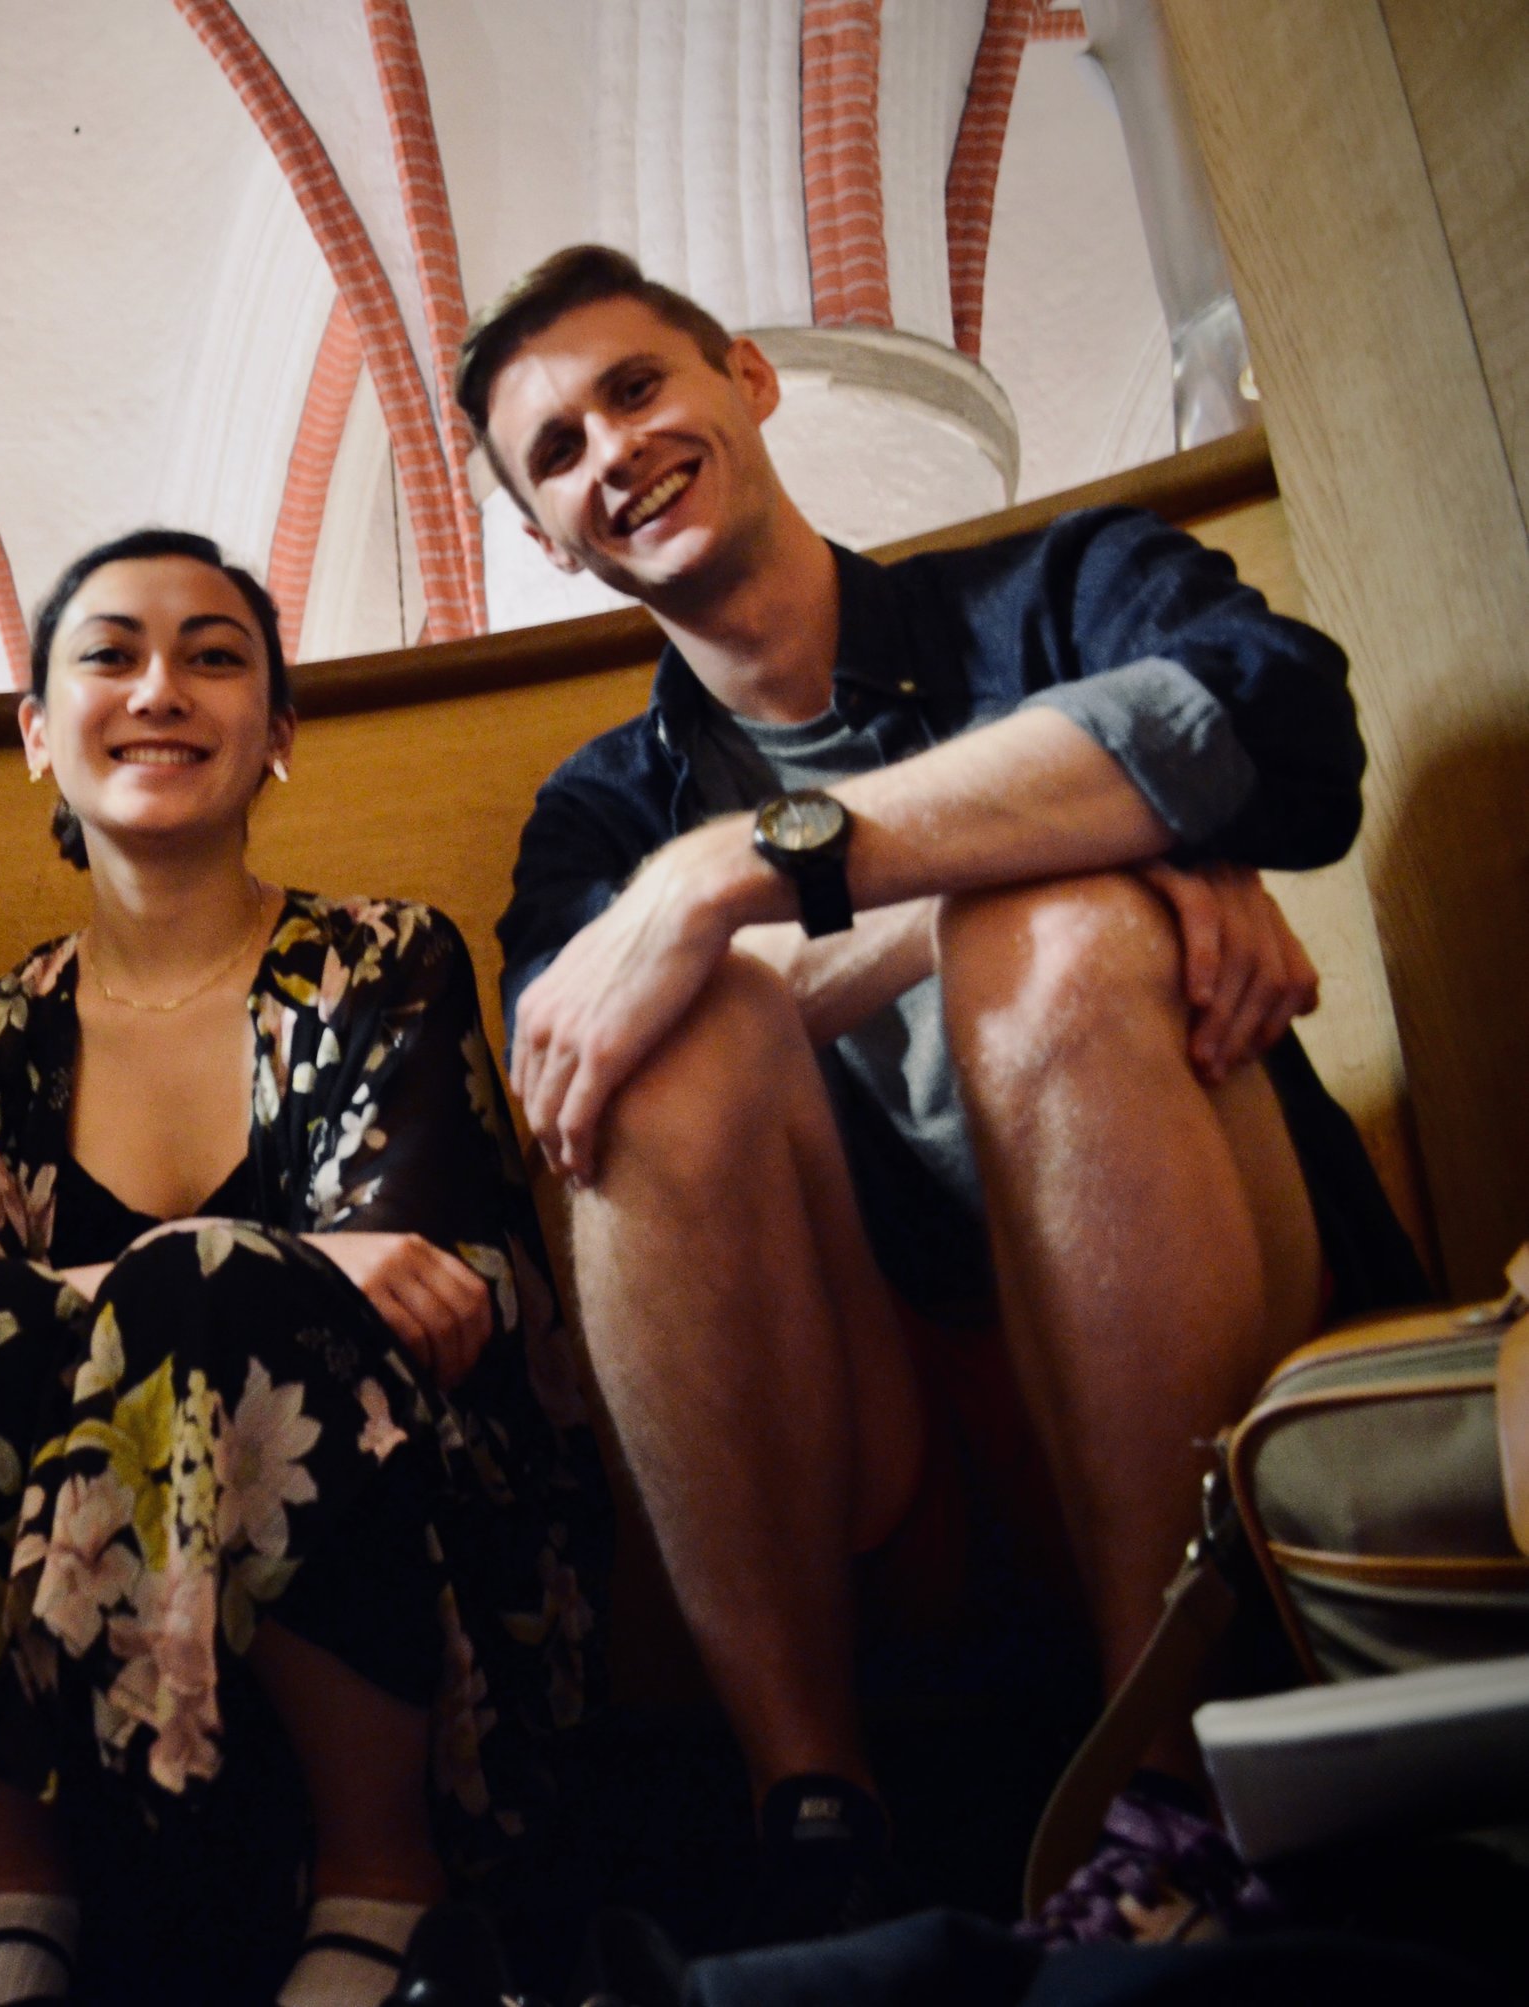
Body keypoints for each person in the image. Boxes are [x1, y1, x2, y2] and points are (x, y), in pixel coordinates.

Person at [458, 247, 1423, 1946]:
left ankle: (1161, 1785)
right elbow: (572, 1058)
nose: (610, 449)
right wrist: (1104, 818)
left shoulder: (1059, 592)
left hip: (1217, 1348)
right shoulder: (599, 816)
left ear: (745, 380)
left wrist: (736, 889)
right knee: (671, 1051)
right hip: (886, 1434)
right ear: (550, 539)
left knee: (1048, 936)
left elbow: (1280, 727)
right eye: (554, 451)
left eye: (635, 387)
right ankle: (813, 1811)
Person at [0, 531, 605, 2007]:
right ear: (38, 732)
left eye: (214, 656)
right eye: (109, 654)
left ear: (277, 732)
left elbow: (433, 1299)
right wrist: (189, 1271)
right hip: (55, 1620)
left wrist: (189, 1278)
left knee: (224, 1293)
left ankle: (381, 1887)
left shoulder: (384, 964)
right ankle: (19, 1888)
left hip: (419, 1579)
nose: (160, 688)